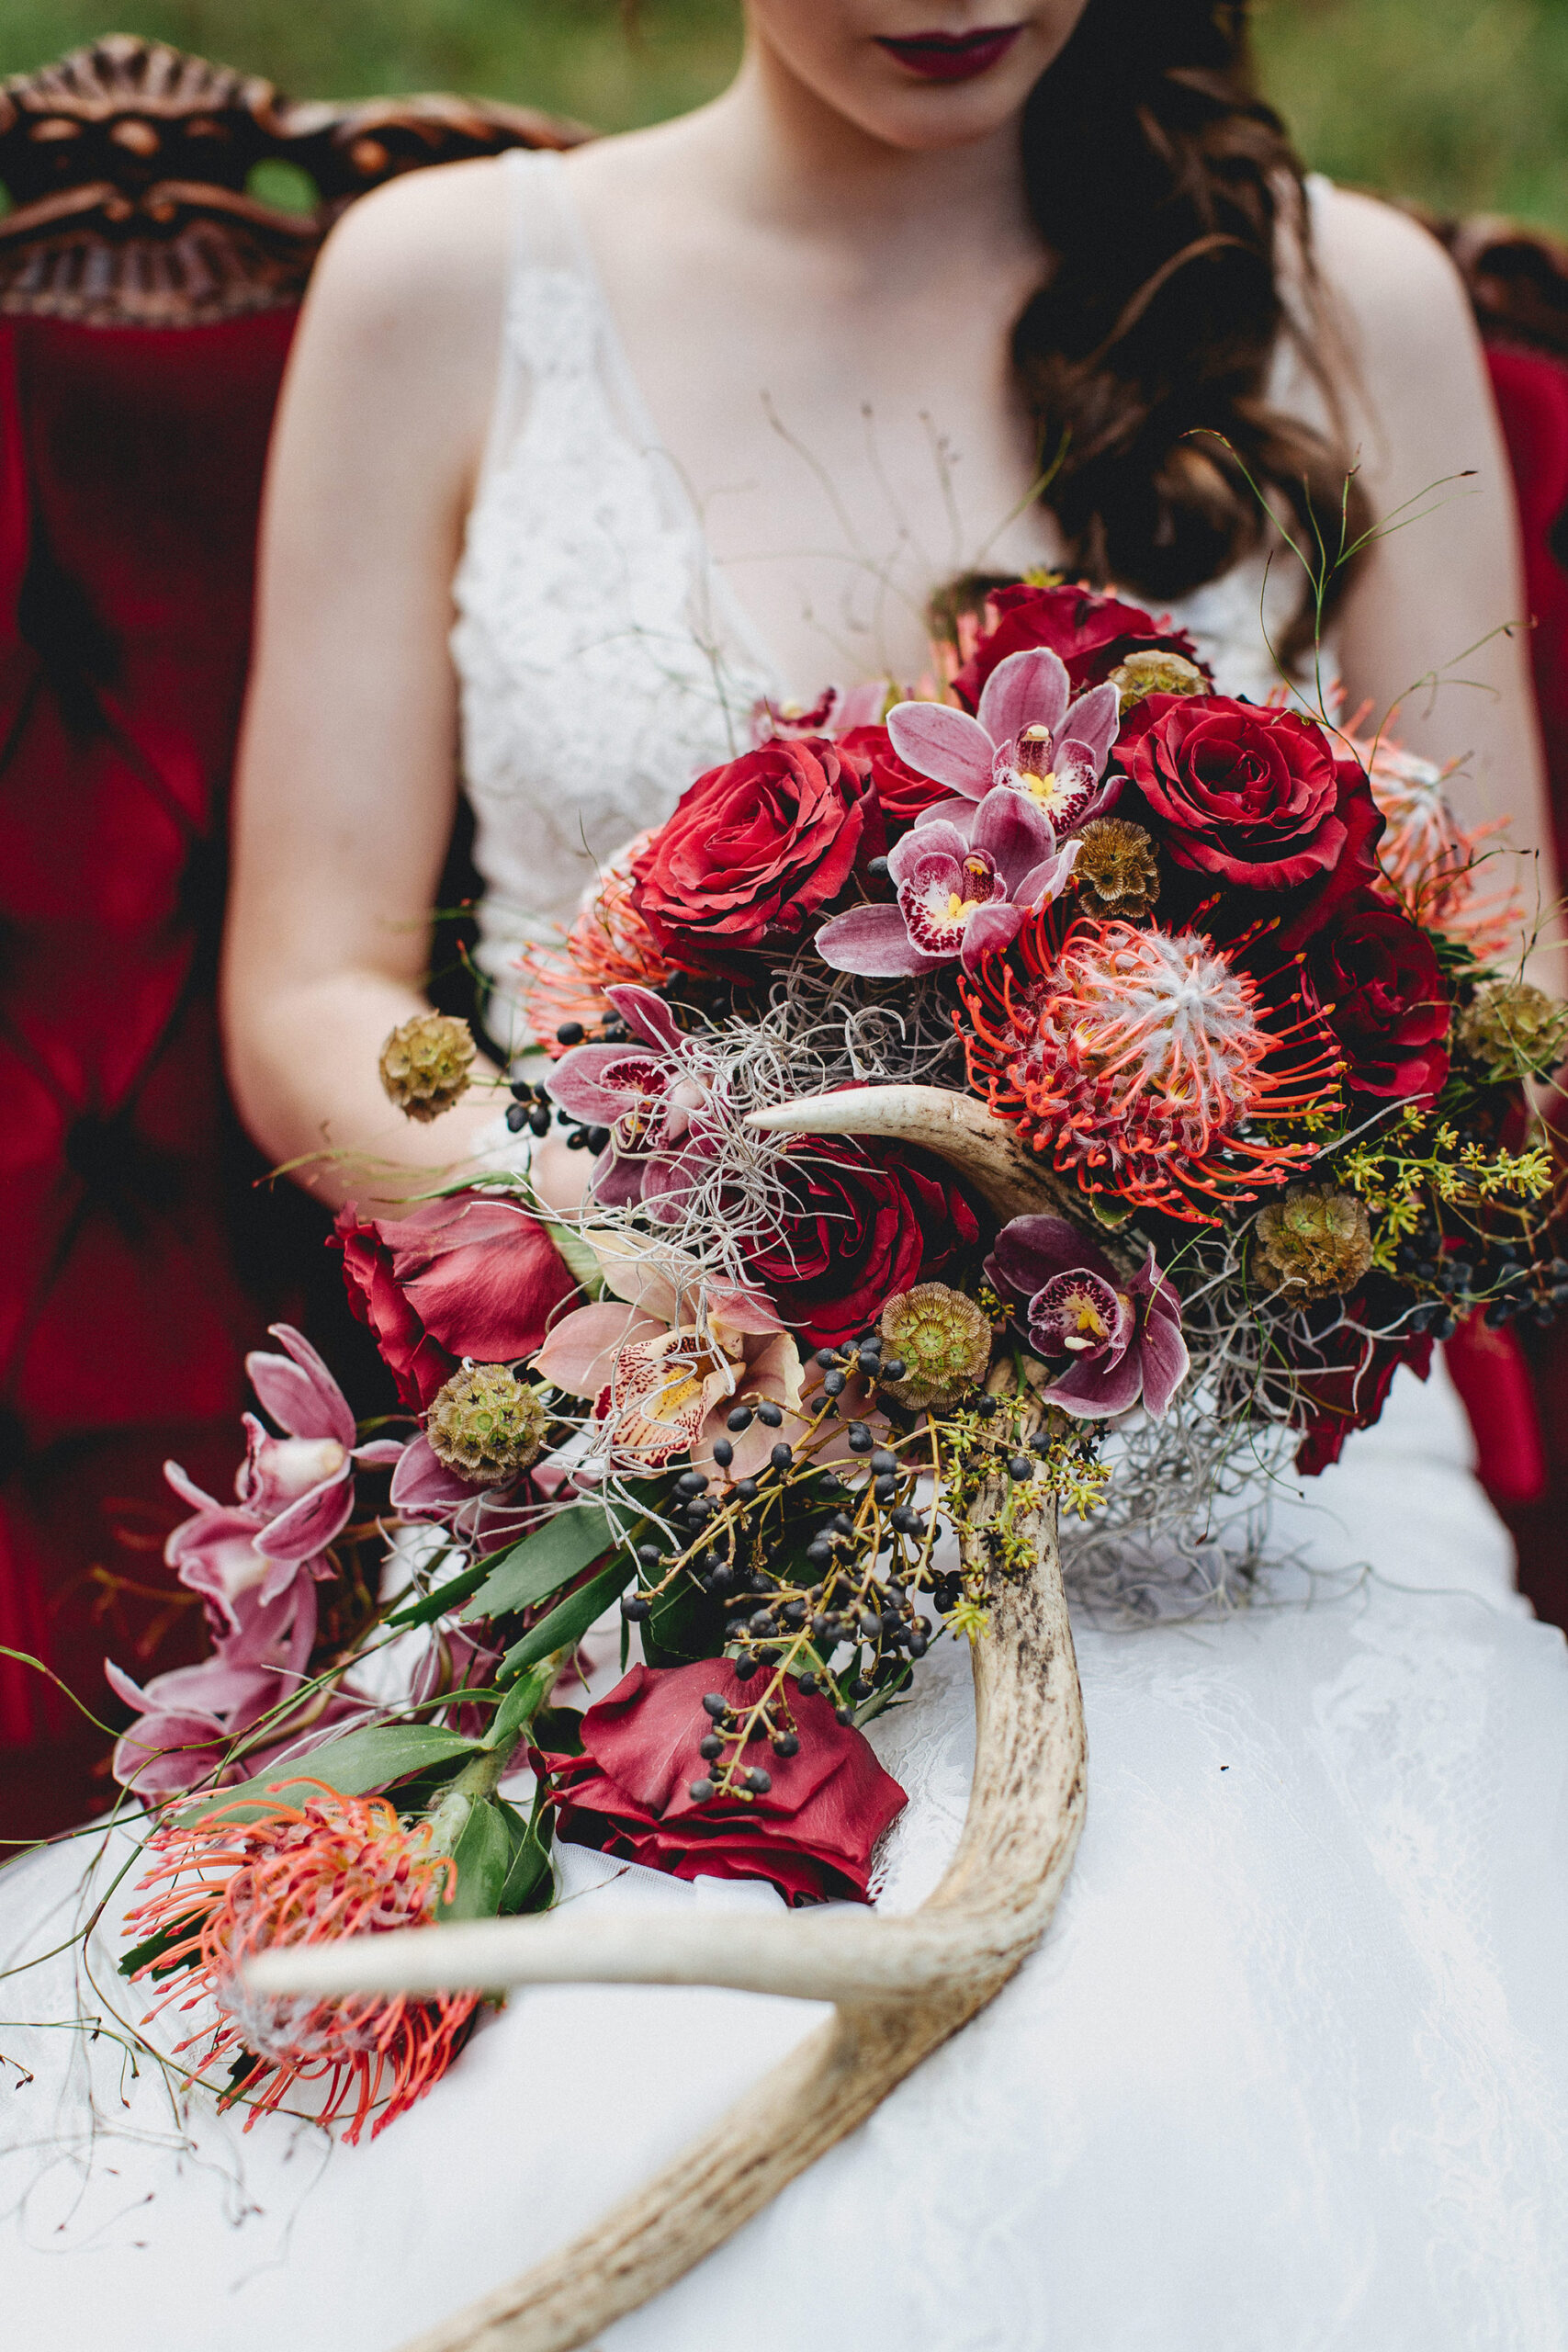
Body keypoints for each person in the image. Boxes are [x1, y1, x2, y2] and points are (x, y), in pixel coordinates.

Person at [4, 7, 1565, 2349]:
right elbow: (311, 988)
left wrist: (1201, 1155)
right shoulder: (444, 288)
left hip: (1223, 1468)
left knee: (1166, 2035)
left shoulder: (1337, 302)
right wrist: (679, 1234)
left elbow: (1511, 996)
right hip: (645, 1403)